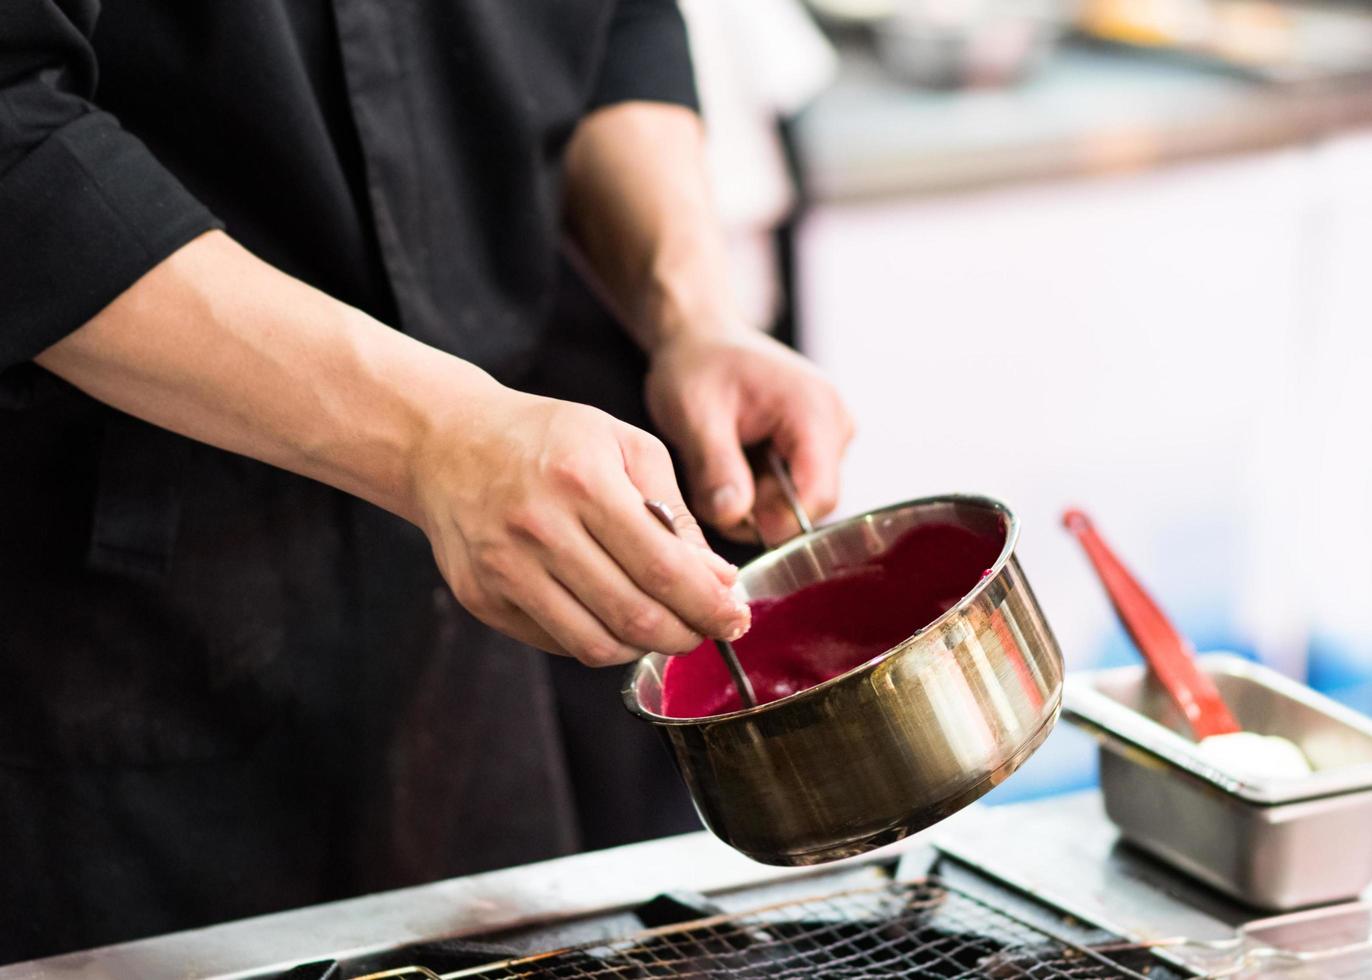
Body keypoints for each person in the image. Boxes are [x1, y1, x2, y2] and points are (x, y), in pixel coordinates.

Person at [0, 0, 852, 964]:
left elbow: (615, 27)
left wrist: (691, 315)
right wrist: (433, 436)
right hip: (91, 646)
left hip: (465, 630)